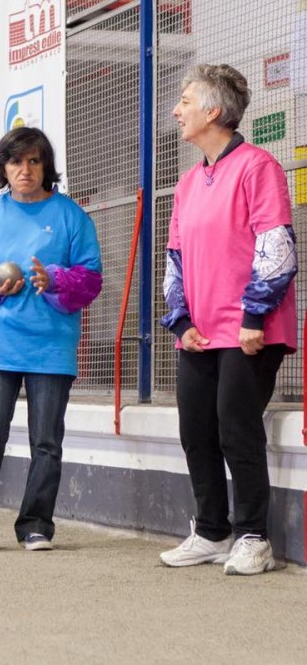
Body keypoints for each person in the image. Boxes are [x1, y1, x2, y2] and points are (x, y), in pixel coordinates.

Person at [158, 65, 297, 576]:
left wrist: (255, 313)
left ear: (214, 111)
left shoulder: (258, 167)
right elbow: (174, 256)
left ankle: (254, 537)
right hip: (199, 332)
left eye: (186, 100)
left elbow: (276, 246)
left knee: (235, 428)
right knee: (196, 429)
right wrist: (179, 320)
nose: (177, 110)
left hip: (250, 330)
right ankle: (212, 531)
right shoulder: (189, 181)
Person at [0, 127, 102, 553]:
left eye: (34, 161)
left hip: (51, 348)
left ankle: (36, 525)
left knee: (47, 442)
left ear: (45, 167)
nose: (25, 170)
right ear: (3, 168)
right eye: (16, 162)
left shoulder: (72, 216)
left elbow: (91, 279)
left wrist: (54, 279)